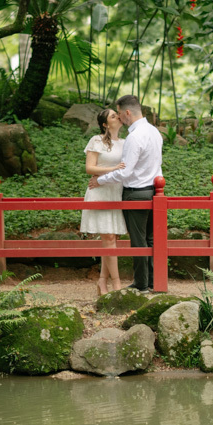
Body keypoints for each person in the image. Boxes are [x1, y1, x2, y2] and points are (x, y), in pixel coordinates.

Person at [89, 94, 163, 294]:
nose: (120, 118)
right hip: (153, 191)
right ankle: (153, 281)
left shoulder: (134, 137)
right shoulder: (154, 132)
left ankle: (141, 284)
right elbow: (158, 166)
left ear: (128, 112)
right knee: (150, 239)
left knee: (139, 241)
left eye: (120, 113)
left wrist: (100, 180)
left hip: (136, 192)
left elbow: (126, 172)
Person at [81, 107, 127, 296]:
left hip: (117, 191)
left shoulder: (125, 143)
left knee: (112, 239)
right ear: (105, 124)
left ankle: (102, 282)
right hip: (100, 191)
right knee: (108, 238)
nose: (118, 117)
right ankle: (116, 284)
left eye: (117, 115)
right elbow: (89, 168)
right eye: (113, 116)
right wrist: (113, 169)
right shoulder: (97, 141)